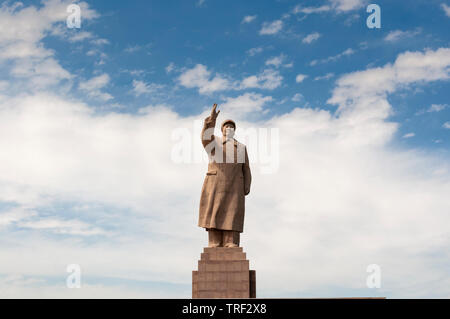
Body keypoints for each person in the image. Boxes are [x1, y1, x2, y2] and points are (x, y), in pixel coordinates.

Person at [198, 103, 252, 247]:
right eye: (226, 127)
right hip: (216, 181)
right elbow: (205, 138)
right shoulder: (214, 142)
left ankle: (230, 241)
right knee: (214, 211)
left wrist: (246, 185)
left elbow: (246, 168)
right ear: (222, 130)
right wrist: (211, 122)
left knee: (232, 212)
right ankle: (214, 242)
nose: (229, 129)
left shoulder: (240, 147)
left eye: (231, 127)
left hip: (235, 184)